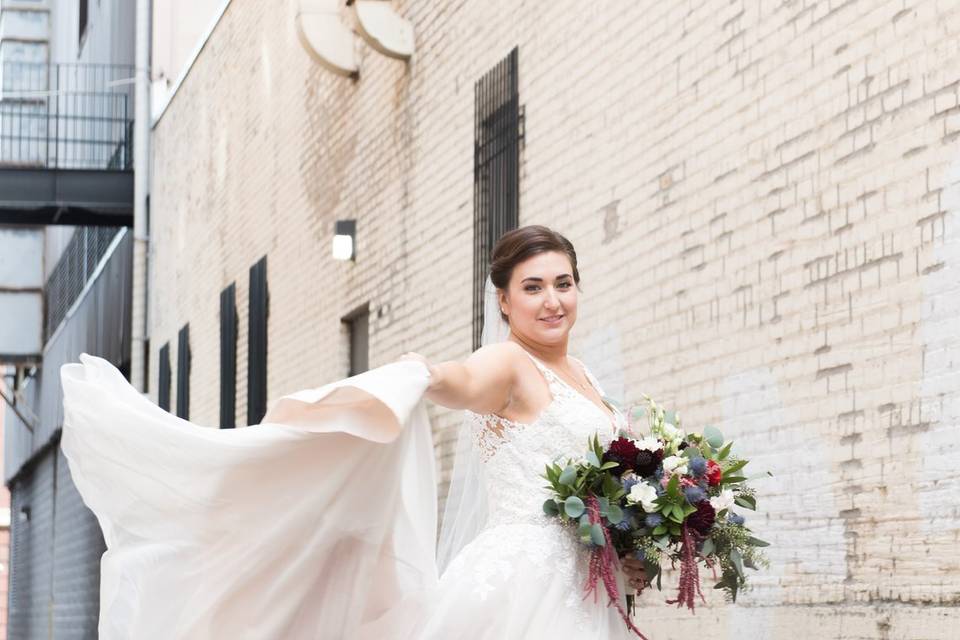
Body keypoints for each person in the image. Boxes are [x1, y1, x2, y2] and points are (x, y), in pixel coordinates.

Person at [59, 224, 648, 639]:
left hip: (589, 581)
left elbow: (602, 492)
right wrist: (426, 373)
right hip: (527, 582)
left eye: (563, 283)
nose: (552, 301)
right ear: (503, 301)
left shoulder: (584, 374)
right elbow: (462, 380)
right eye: (533, 287)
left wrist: (635, 543)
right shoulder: (508, 364)